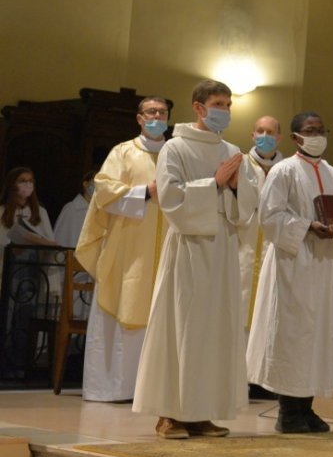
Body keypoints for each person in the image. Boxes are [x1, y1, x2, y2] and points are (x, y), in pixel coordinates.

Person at [132, 80, 260, 439]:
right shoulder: (175, 148)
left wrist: (235, 187)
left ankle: (201, 411)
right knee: (181, 326)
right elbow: (170, 199)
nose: (226, 110)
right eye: (219, 103)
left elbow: (247, 208)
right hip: (189, 248)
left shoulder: (232, 149)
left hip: (221, 249)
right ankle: (170, 414)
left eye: (229, 104)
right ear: (199, 108)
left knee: (212, 330)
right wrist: (215, 183)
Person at [246, 111, 333, 433]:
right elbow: (270, 216)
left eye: (321, 130)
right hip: (295, 262)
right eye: (310, 130)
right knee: (292, 334)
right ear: (296, 137)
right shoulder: (283, 170)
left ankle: (308, 407)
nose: (317, 135)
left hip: (324, 264)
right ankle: (287, 411)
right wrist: (307, 226)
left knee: (319, 333)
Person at [74, 96, 171, 402]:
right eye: (151, 112)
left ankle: (155, 391)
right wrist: (145, 193)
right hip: (128, 251)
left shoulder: (176, 153)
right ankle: (114, 388)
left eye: (162, 112)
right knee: (123, 305)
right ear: (139, 118)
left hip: (169, 249)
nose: (157, 116)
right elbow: (103, 191)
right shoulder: (123, 152)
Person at [238, 116, 284, 336]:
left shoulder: (288, 170)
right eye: (260, 131)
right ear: (252, 135)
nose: (265, 136)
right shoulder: (239, 164)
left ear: (279, 137)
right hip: (241, 250)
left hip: (275, 253)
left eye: (270, 132)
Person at [0, 167, 57, 248]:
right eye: (22, 181)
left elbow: (50, 241)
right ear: (12, 184)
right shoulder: (2, 210)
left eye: (30, 181)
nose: (27, 184)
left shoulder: (40, 211)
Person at [53, 170, 96, 247]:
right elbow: (61, 238)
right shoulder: (71, 209)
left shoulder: (102, 211)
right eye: (96, 181)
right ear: (85, 184)